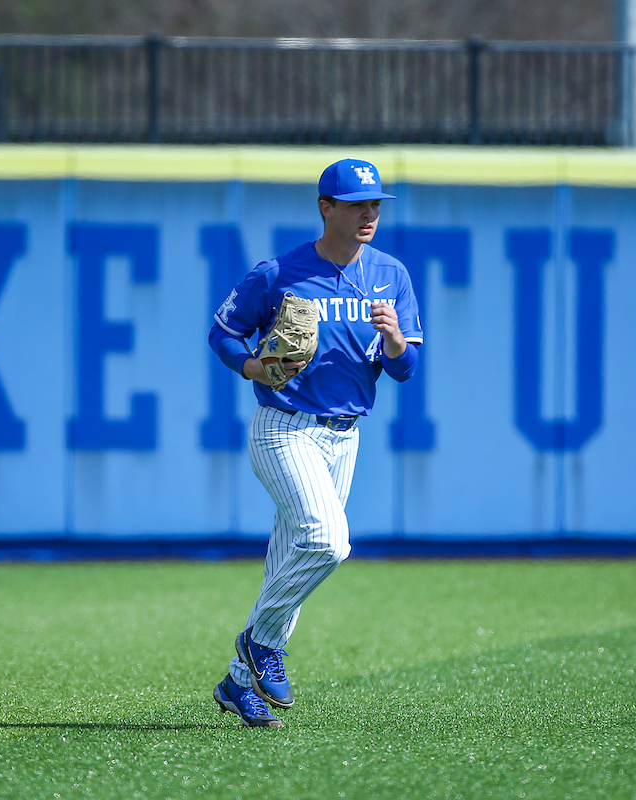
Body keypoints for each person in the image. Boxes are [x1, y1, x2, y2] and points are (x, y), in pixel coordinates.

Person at [207, 158, 422, 728]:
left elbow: (406, 371)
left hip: (345, 438)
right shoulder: (280, 272)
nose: (368, 213)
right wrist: (253, 365)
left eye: (375, 203)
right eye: (356, 204)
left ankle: (236, 680)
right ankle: (260, 644)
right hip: (284, 426)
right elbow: (223, 332)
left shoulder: (391, 275)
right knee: (327, 542)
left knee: (290, 560)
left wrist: (397, 340)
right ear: (326, 207)